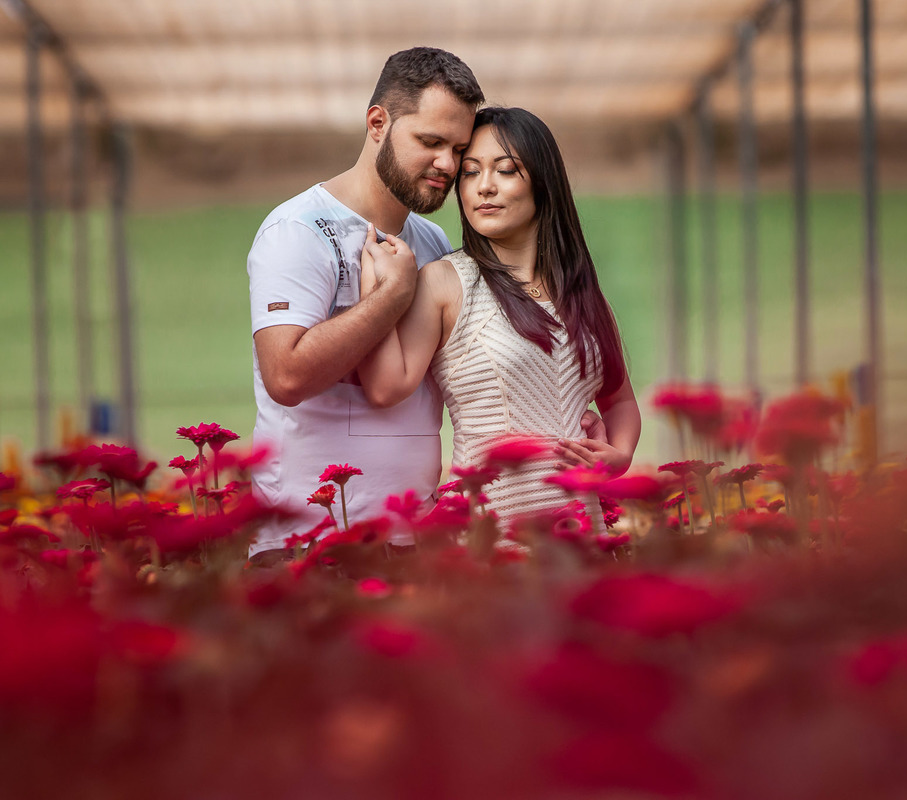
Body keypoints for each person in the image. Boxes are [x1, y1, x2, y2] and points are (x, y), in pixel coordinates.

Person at [245, 47, 483, 558]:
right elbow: (285, 377)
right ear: (378, 122)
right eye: (430, 141)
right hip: (309, 545)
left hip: (414, 541)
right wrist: (392, 296)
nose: (448, 163)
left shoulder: (435, 243)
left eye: (459, 148)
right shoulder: (299, 229)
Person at [357, 106, 641, 530]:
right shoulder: (444, 283)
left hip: (583, 535)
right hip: (490, 537)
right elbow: (385, 387)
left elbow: (619, 399)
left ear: (543, 183)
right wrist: (379, 292)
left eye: (505, 170)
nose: (484, 187)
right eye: (470, 173)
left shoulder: (584, 295)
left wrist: (620, 455)